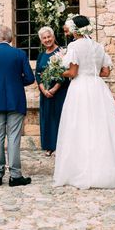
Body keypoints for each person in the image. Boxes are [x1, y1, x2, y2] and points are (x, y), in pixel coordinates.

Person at [53, 15, 115, 189]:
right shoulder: (99, 47)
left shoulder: (74, 46)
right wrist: (91, 74)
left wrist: (58, 72)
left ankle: (82, 170)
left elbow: (73, 72)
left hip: (80, 89)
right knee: (102, 127)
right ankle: (109, 168)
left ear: (75, 30)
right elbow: (105, 72)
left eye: (70, 29)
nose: (68, 32)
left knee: (81, 126)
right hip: (98, 88)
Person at [0, 25, 35, 187]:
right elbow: (30, 78)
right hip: (15, 100)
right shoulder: (19, 54)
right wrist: (18, 82)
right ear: (11, 39)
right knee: (14, 138)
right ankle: (15, 175)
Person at [35, 27, 69, 157]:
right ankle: (49, 146)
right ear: (41, 40)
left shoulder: (62, 52)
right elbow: (38, 74)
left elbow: (65, 72)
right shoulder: (41, 55)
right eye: (44, 38)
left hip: (60, 92)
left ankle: (60, 147)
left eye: (49, 37)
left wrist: (54, 89)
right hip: (45, 93)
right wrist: (43, 89)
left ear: (53, 37)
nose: (47, 40)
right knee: (47, 118)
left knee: (59, 118)